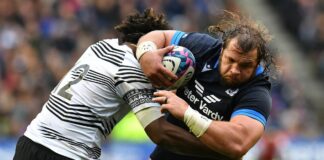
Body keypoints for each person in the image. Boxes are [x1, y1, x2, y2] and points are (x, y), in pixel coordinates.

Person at [13, 9, 229, 160]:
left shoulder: (100, 47)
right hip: (66, 154)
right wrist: (217, 151)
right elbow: (161, 134)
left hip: (30, 142)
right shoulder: (132, 71)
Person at [135, 11, 276, 160]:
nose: (235, 70)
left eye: (245, 65)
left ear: (256, 65)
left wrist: (187, 113)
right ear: (222, 51)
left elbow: (238, 143)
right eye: (231, 60)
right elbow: (160, 36)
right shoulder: (204, 48)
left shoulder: (257, 93)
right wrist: (147, 54)